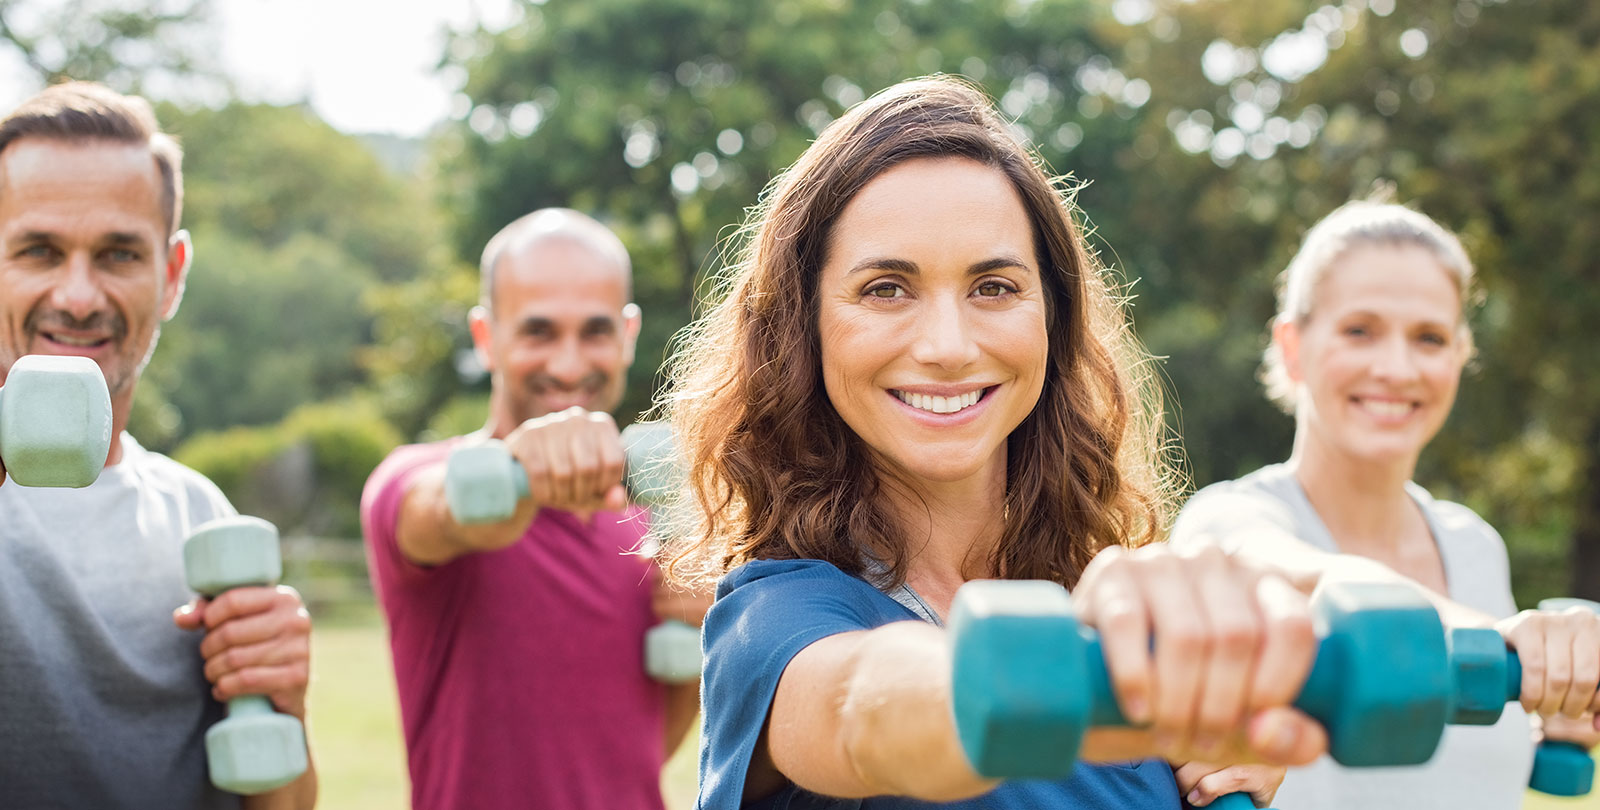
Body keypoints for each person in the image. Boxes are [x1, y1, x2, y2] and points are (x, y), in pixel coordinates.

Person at [656, 76, 1335, 810]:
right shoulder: (776, 623)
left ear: (1053, 318)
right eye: (887, 288)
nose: (948, 346)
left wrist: (1226, 764)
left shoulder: (1114, 630)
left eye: (994, 287)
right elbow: (864, 711)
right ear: (803, 329)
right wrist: (1081, 675)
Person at [1171, 198, 1600, 809]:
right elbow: (1322, 582)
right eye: (1359, 331)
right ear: (1293, 346)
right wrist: (1516, 643)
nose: (1396, 368)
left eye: (1429, 338)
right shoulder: (1228, 521)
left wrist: (1549, 712)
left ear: (1459, 354)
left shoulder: (1475, 545)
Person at [0, 82, 317, 809]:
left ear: (170, 276)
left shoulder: (200, 514)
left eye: (118, 254)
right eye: (39, 250)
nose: (79, 296)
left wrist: (286, 704)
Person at [360, 208, 708, 809]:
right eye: (539, 332)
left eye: (594, 331)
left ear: (628, 335)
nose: (569, 365)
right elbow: (445, 511)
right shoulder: (409, 480)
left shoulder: (656, 526)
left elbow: (636, 750)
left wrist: (701, 627)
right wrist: (520, 467)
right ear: (486, 338)